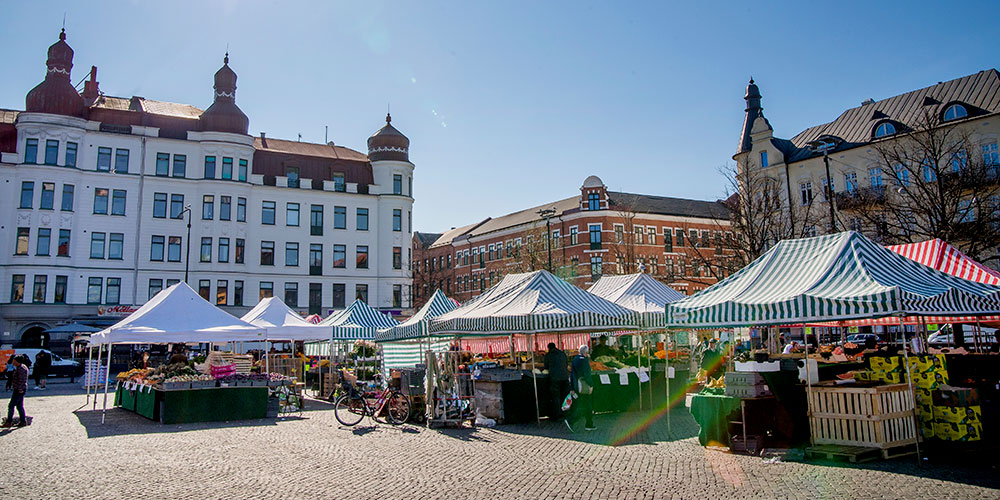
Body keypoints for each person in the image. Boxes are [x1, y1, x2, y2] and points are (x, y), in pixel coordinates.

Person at [566, 345, 595, 432]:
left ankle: (589, 424)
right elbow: (587, 374)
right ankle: (571, 420)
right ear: (586, 352)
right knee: (586, 405)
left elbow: (572, 374)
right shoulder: (584, 361)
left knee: (584, 405)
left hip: (576, 386)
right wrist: (591, 384)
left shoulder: (575, 359)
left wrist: (572, 387)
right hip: (584, 386)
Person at [543, 343, 569, 421]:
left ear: (549, 348)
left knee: (556, 397)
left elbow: (546, 366)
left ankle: (558, 415)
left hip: (554, 378)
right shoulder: (562, 353)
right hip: (565, 377)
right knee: (565, 396)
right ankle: (566, 413)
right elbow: (566, 364)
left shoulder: (548, 355)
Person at [3, 355, 29, 427]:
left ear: (18, 361)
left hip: (19, 390)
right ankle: (23, 421)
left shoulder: (21, 369)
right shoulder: (21, 367)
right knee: (19, 406)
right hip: (20, 389)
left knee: (11, 406)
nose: (13, 362)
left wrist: (20, 389)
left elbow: (21, 380)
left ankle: (9, 422)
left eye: (14, 361)